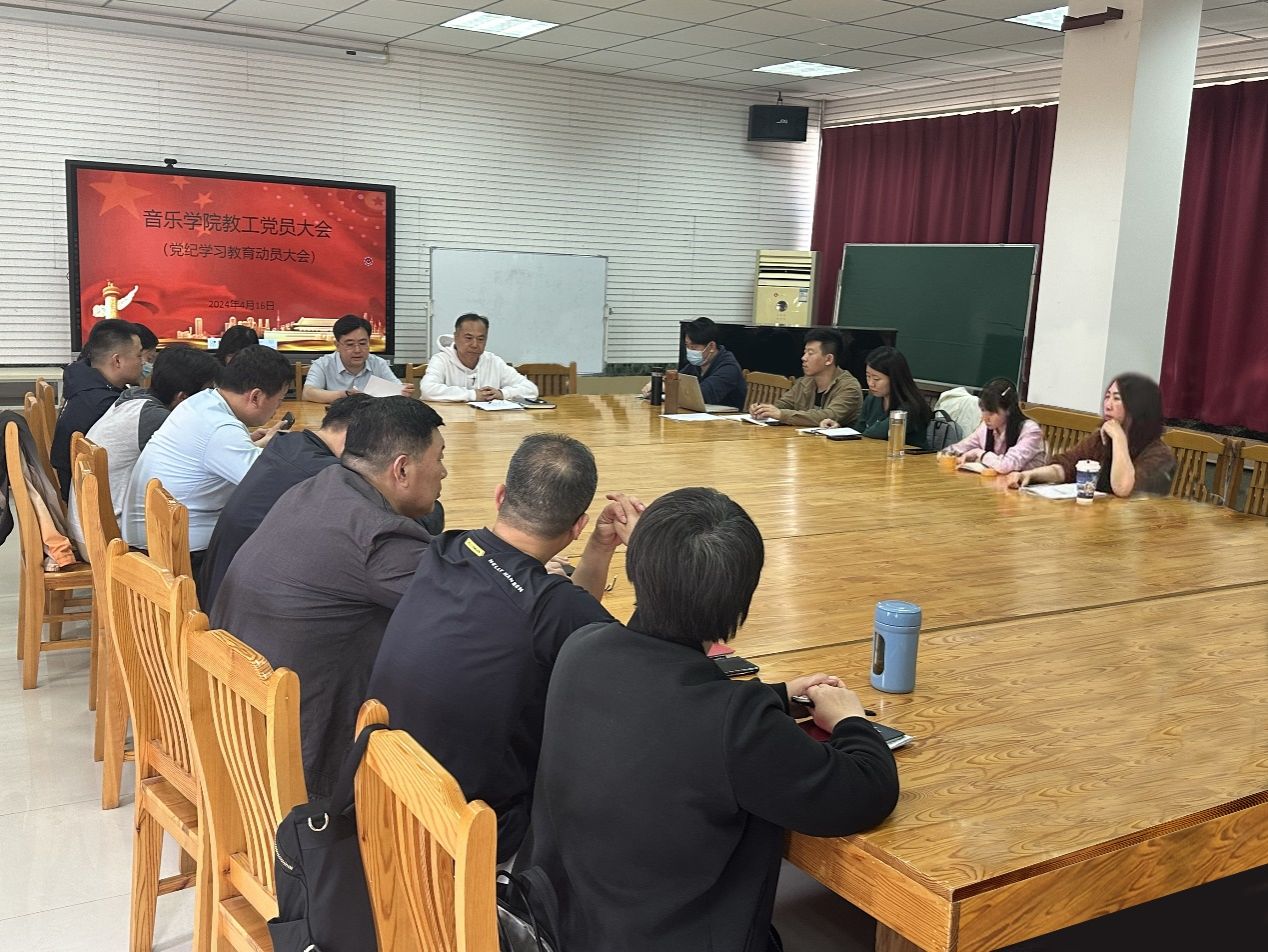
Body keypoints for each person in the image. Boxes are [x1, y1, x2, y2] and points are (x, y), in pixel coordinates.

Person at [523, 487, 900, 952]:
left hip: (557, 928)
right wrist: (850, 720)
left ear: (637, 568)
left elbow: (662, 711)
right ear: (740, 601)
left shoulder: (582, 648)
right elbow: (864, 794)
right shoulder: (734, 723)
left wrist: (779, 696)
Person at [368, 434, 640, 861]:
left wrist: (599, 550)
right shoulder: (553, 610)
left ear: (500, 496)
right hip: (472, 841)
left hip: (385, 804)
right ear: (577, 526)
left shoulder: (447, 548)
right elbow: (649, 679)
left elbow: (570, 618)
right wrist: (645, 556)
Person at [212, 397, 446, 795]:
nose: (444, 471)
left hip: (234, 717)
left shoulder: (318, 486)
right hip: (295, 760)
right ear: (402, 469)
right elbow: (463, 608)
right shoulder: (379, 535)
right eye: (439, 458)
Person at [119, 344, 292, 568]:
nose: (278, 409)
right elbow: (270, 484)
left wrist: (252, 445)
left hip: (154, 534)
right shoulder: (221, 428)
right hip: (173, 552)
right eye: (279, 401)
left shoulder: (201, 402)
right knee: (280, 534)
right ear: (256, 396)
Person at [197, 393, 373, 609]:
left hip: (216, 587)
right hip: (237, 610)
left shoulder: (287, 443)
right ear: (353, 436)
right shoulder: (328, 475)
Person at [67, 345, 221, 545]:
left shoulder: (134, 398)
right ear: (183, 397)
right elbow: (206, 460)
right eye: (207, 392)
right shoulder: (156, 418)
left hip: (88, 526)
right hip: (109, 536)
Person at [1007, 374, 1175, 496]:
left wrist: (1119, 438)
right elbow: (1067, 466)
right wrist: (1030, 475)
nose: (1108, 405)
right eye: (1107, 397)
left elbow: (1123, 488)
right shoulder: (1101, 438)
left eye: (1117, 399)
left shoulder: (1158, 454)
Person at [52, 319, 144, 500]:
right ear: (117, 360)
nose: (142, 363)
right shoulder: (104, 405)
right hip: (87, 498)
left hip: (77, 487)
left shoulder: (82, 381)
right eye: (139, 356)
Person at [749, 328, 862, 427]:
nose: (804, 358)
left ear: (828, 359)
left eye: (810, 353)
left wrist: (781, 414)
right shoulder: (805, 381)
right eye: (804, 352)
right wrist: (763, 410)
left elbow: (829, 415)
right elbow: (784, 404)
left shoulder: (849, 387)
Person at [418, 313, 538, 402]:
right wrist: (473, 395)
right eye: (468, 338)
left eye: (480, 339)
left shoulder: (494, 361)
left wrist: (502, 394)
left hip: (488, 423)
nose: (475, 344)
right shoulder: (441, 360)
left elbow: (531, 390)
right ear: (455, 337)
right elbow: (428, 390)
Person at [940, 378, 1045, 474]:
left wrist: (979, 453)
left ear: (1008, 410)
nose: (985, 418)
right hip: (1000, 482)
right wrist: (948, 454)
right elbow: (958, 448)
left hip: (1030, 486)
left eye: (991, 413)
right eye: (983, 410)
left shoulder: (1030, 431)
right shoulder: (987, 427)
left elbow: (1006, 466)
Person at [303, 314, 413, 403]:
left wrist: (403, 390)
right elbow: (308, 393)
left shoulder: (378, 363)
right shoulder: (322, 364)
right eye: (350, 344)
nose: (357, 350)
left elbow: (397, 389)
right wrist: (345, 395)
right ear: (337, 345)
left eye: (363, 343)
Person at [642, 317, 746, 409]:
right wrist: (658, 384)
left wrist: (667, 387)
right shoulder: (696, 364)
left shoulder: (729, 367)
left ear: (711, 346)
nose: (690, 351)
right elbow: (678, 378)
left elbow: (702, 394)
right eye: (687, 346)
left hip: (727, 420)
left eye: (694, 347)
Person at [857, 346, 932, 449]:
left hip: (908, 457)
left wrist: (864, 433)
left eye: (876, 379)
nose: (870, 383)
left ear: (894, 379)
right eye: (868, 376)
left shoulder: (910, 407)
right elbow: (858, 431)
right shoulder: (872, 399)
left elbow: (878, 433)